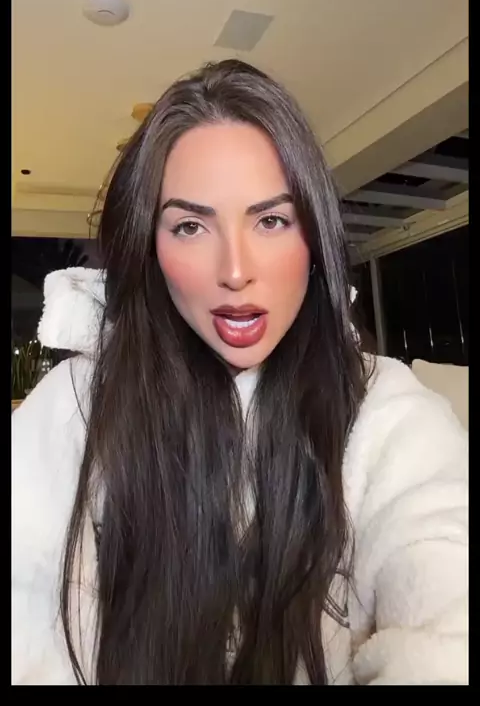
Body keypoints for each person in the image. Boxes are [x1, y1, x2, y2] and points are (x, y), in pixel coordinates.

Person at [12, 59, 468, 686]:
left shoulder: (384, 412)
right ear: (151, 249)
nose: (234, 270)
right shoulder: (73, 408)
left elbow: (447, 609)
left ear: (314, 237)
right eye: (190, 226)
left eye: (271, 220)